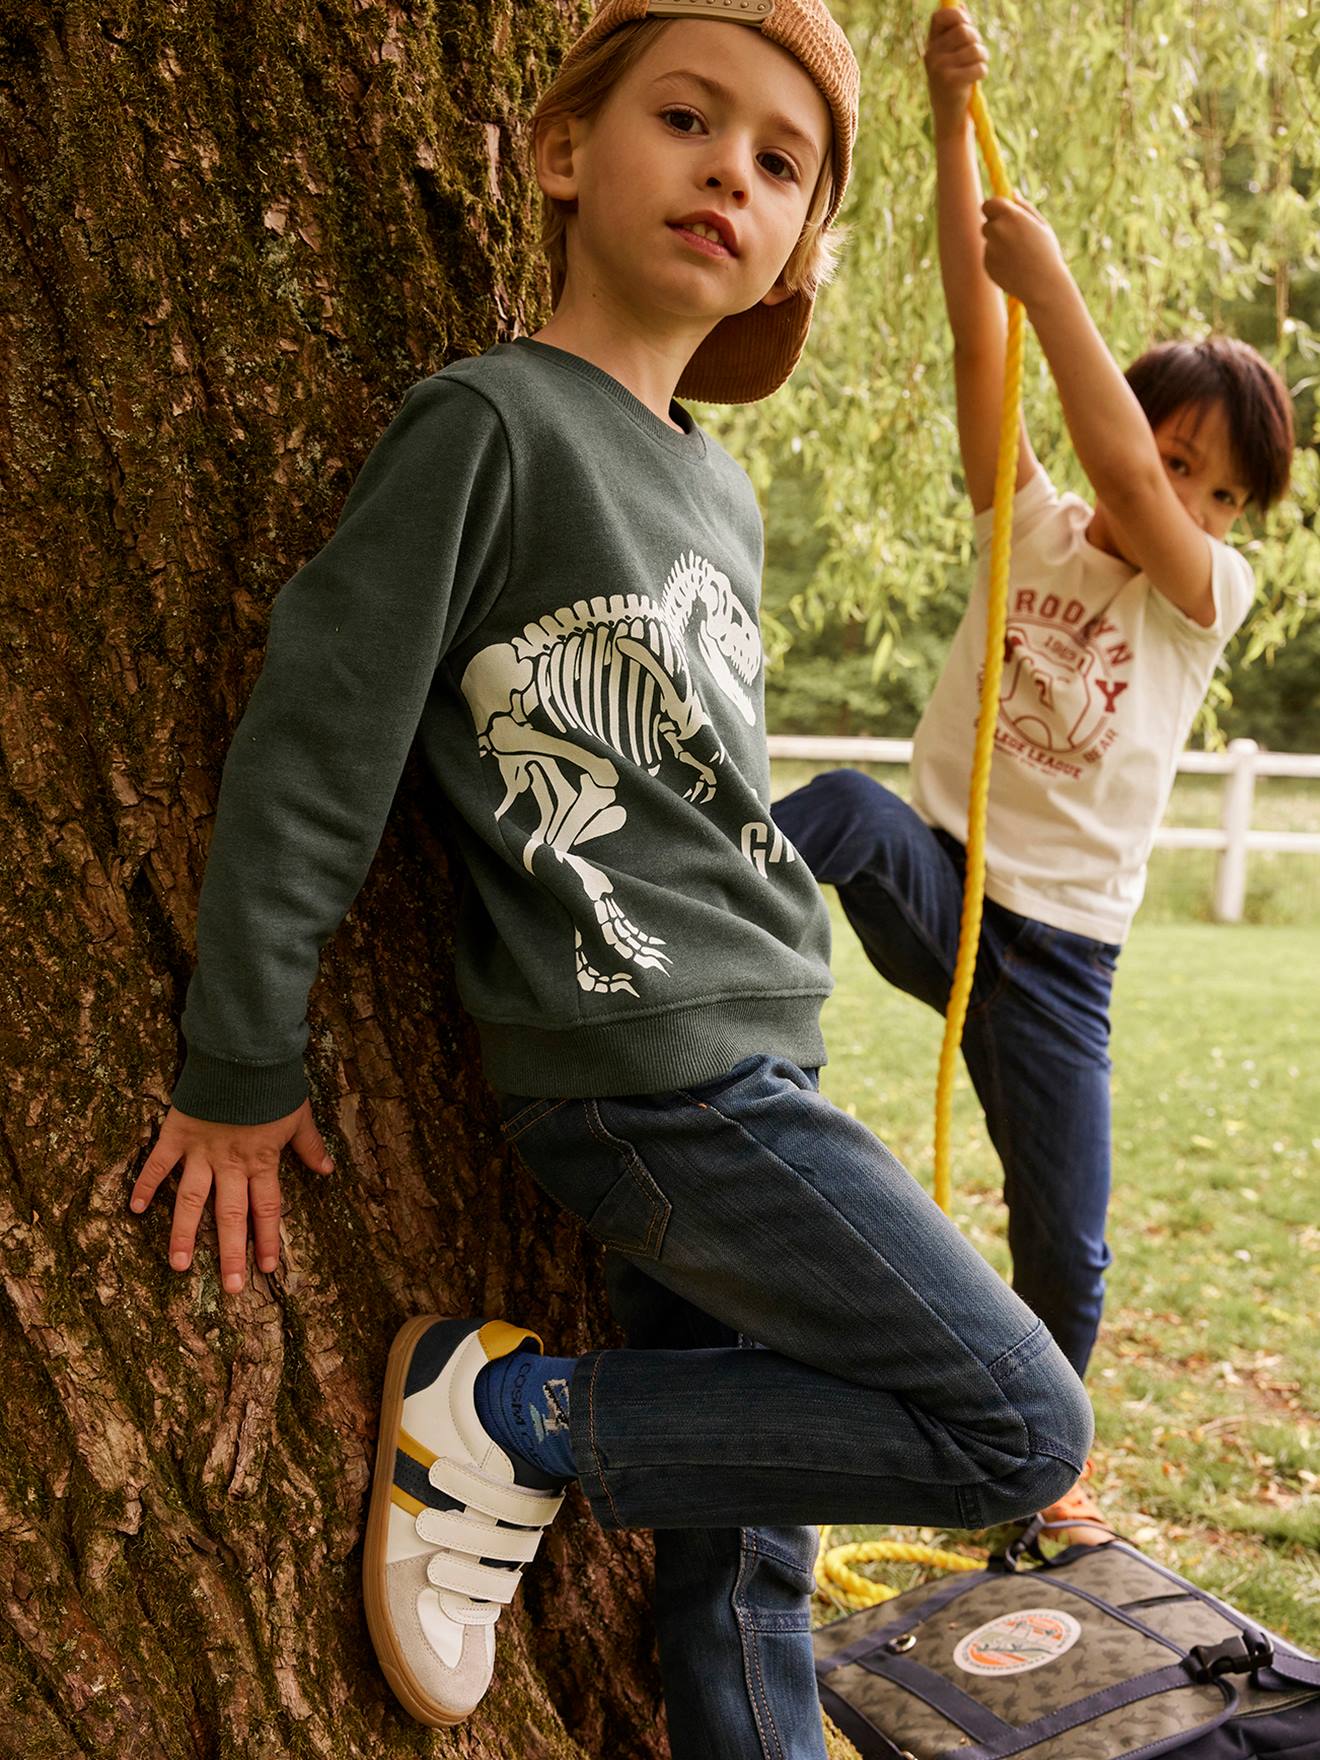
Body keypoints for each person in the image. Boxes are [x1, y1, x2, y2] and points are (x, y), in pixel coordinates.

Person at [128, 3, 1092, 1754]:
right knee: (1021, 1428)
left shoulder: (719, 498)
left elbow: (707, 794)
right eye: (687, 118)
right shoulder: (488, 427)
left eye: (780, 162)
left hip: (757, 1056)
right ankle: (521, 1421)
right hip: (648, 1078)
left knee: (747, 1569)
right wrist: (240, 1064)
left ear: (799, 247)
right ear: (566, 153)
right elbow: (316, 743)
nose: (731, 166)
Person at [773, 7, 1294, 1546]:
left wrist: (1055, 281)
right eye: (1172, 454)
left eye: (1217, 486)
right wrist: (948, 124)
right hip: (952, 892)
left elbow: (1121, 467)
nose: (1179, 494)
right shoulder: (1032, 520)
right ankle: (710, 895)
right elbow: (971, 323)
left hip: (1058, 967)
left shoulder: (1206, 599)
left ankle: (1026, 1462)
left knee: (1065, 1248)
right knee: (852, 813)